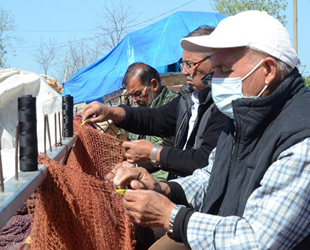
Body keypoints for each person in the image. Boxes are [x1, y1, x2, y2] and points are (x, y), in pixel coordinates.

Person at [110, 10, 310, 249]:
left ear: (267, 70)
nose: (216, 81)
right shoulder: (241, 118)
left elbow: (256, 240)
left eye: (225, 70)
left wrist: (171, 216)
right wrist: (162, 188)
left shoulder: (300, 138)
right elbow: (210, 178)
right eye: (215, 71)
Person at [82, 26, 228, 180]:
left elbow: (202, 160)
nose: (184, 72)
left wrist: (152, 155)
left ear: (215, 61)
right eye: (183, 65)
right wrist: (111, 112)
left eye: (190, 64)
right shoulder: (189, 98)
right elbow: (156, 118)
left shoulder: (223, 105)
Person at [122, 62, 178, 181]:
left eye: (138, 94)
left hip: (165, 181)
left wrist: (134, 166)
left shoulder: (174, 106)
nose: (135, 100)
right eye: (131, 96)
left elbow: (170, 146)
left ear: (154, 85)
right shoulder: (140, 112)